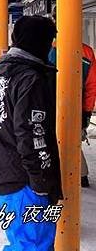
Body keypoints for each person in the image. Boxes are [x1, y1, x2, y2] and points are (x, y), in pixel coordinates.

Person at [0, 16, 62, 250]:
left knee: (21, 242)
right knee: (34, 245)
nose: (51, 46)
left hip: (6, 174)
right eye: (50, 40)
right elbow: (31, 134)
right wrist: (41, 181)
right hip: (26, 182)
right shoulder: (30, 78)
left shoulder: (0, 71)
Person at [49, 41, 96, 188]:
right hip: (75, 106)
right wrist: (86, 112)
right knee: (72, 140)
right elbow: (91, 86)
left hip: (47, 104)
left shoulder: (44, 47)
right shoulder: (86, 52)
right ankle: (81, 175)